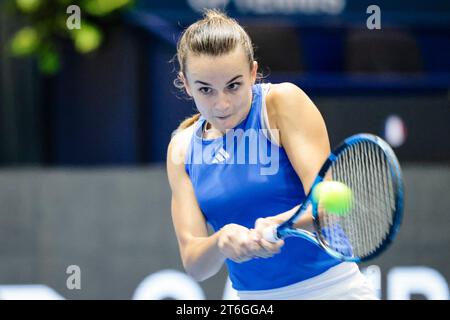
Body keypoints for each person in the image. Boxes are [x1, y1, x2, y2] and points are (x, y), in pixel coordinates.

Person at [166, 9, 377, 300]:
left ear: (253, 72)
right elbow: (194, 263)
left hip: (333, 290)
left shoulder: (282, 103)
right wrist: (221, 242)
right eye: (206, 90)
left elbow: (327, 203)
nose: (222, 104)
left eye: (234, 85)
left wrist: (279, 223)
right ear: (186, 84)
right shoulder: (181, 148)